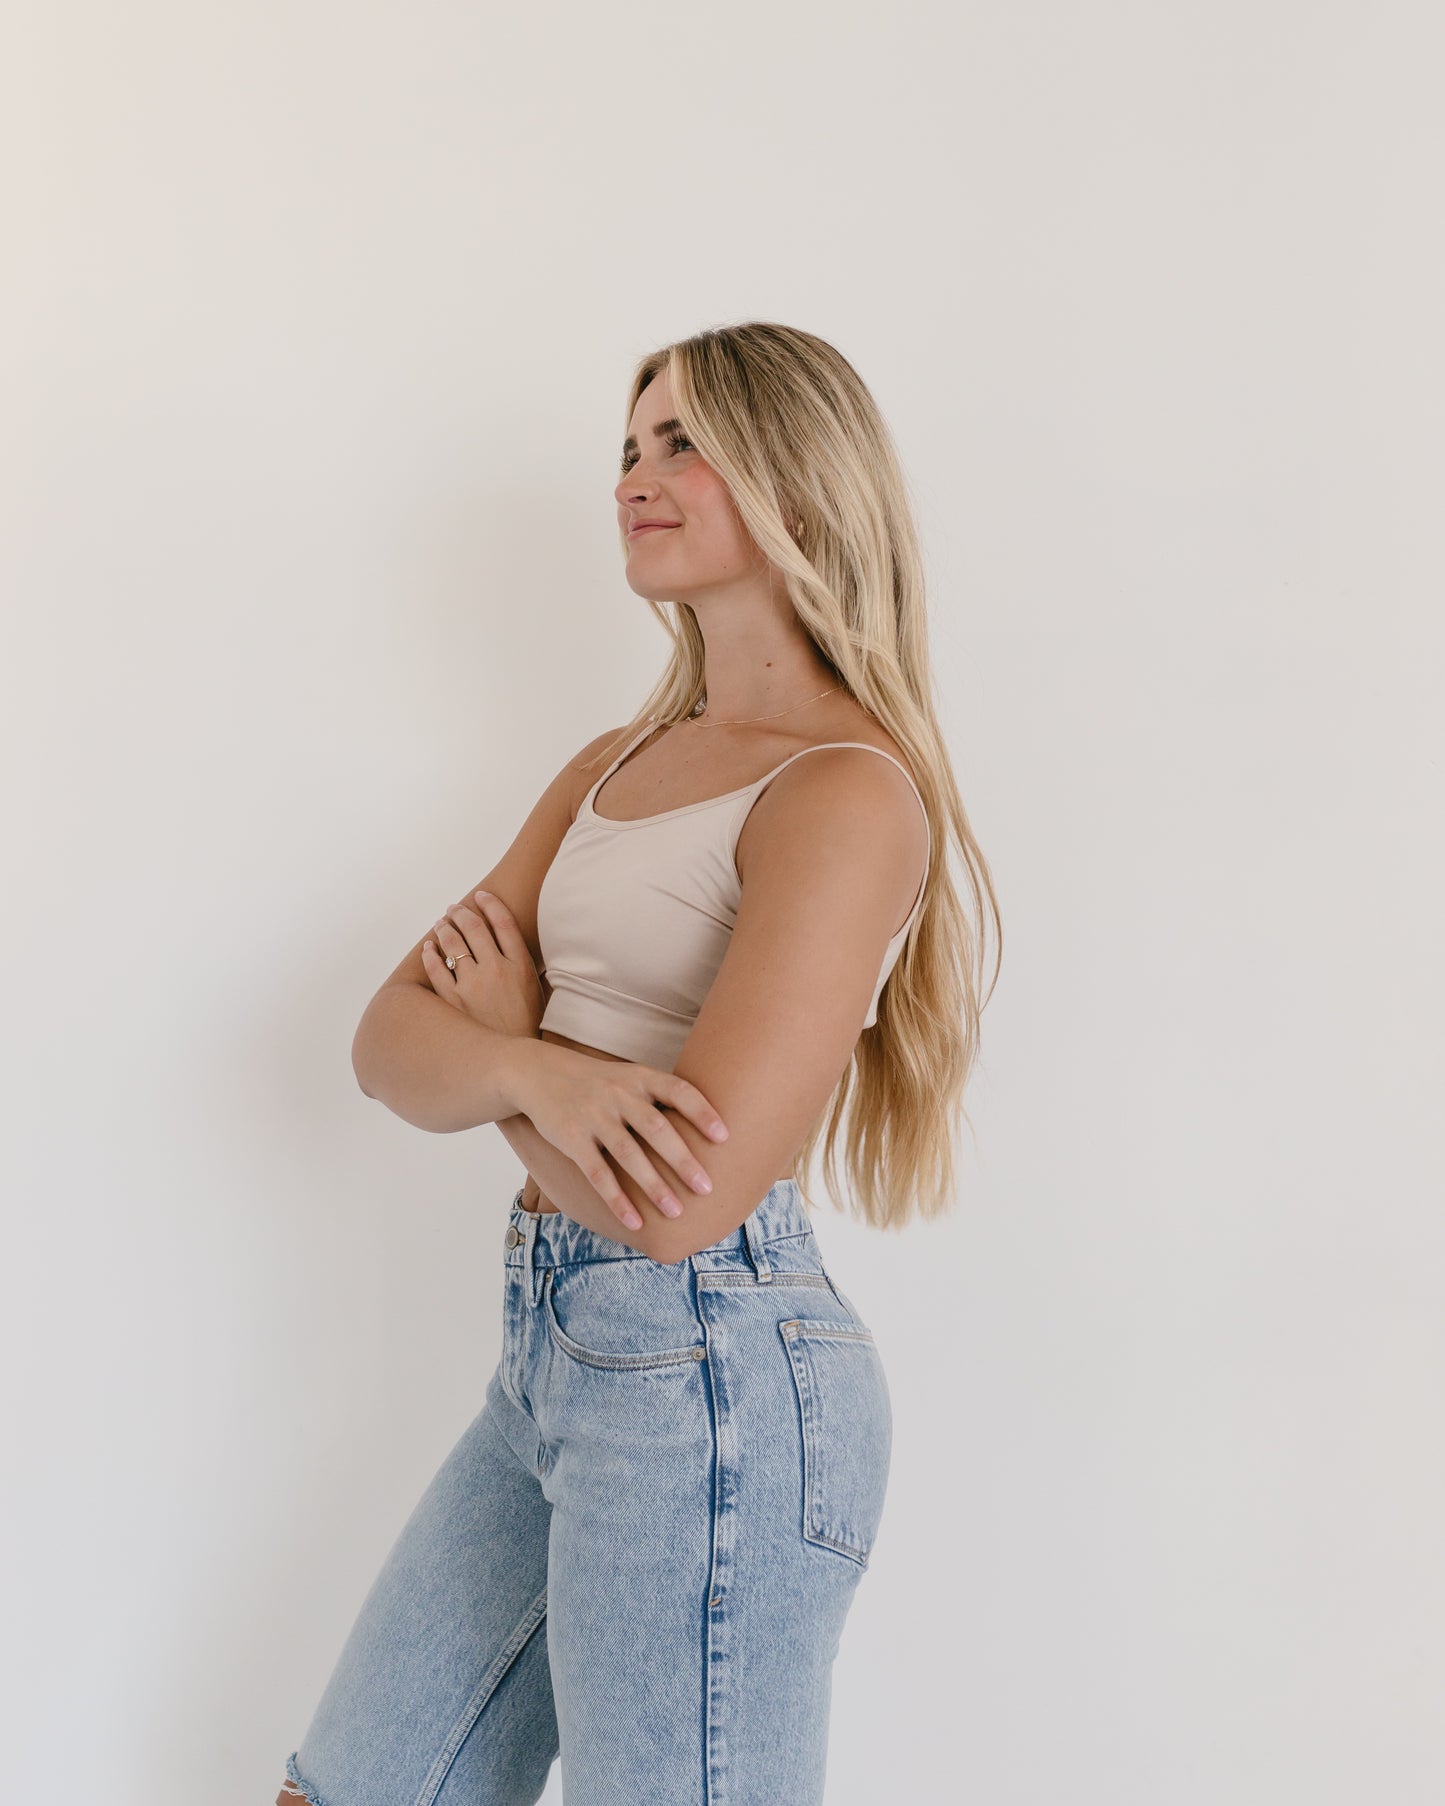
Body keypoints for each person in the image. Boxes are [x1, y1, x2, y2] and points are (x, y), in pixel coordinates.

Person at [277, 322, 1000, 1806]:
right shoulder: (613, 761)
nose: (635, 478)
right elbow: (384, 1045)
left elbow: (678, 1197)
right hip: (549, 1366)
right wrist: (545, 1072)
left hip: (715, 1372)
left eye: (682, 444)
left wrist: (512, 1034)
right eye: (627, 448)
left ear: (798, 483)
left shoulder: (846, 791)